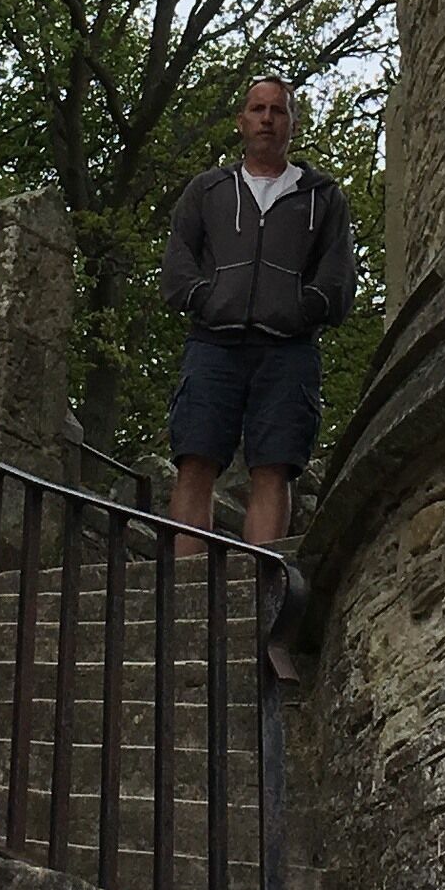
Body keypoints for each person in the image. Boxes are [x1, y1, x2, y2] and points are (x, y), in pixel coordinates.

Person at [159, 73, 357, 550]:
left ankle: (259, 581)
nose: (267, 119)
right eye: (258, 109)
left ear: (293, 122)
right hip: (213, 344)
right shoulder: (207, 191)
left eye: (278, 110)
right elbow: (178, 261)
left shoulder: (323, 196)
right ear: (241, 121)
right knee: (195, 458)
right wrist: (206, 298)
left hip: (288, 349)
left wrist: (301, 308)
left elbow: (338, 276)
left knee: (274, 465)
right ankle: (186, 589)